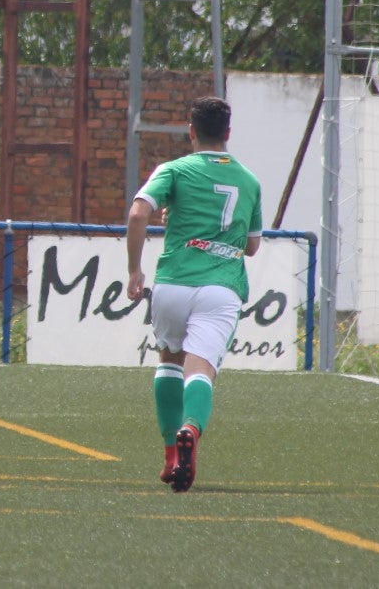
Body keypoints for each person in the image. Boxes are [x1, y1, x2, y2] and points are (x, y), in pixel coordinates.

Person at [126, 95, 262, 493]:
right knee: (200, 370)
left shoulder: (174, 169)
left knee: (169, 358)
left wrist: (134, 270)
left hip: (172, 284)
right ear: (229, 133)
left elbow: (138, 213)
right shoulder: (249, 180)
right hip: (220, 288)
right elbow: (252, 247)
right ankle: (190, 428)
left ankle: (172, 455)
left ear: (191, 131)